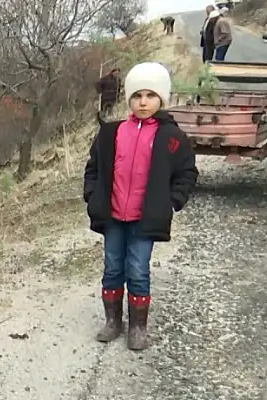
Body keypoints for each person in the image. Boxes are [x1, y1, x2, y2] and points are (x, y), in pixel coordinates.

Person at [83, 62, 199, 351]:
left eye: (150, 95)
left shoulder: (172, 138)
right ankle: (112, 322)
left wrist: (172, 201)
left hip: (144, 219)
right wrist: (92, 194)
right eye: (137, 95)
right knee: (112, 268)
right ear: (129, 100)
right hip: (112, 216)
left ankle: (138, 327)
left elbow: (187, 172)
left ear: (161, 98)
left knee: (137, 269)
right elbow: (93, 167)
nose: (143, 101)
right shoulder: (112, 133)